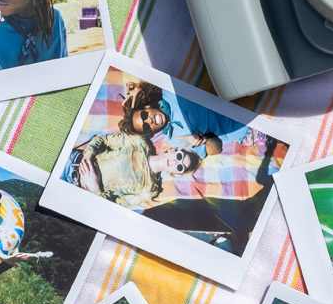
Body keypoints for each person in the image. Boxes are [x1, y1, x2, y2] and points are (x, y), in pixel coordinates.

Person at [119, 79, 252, 158]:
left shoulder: (165, 92)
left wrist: (142, 85)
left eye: (144, 115)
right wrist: (203, 140)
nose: (150, 120)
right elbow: (216, 150)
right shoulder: (175, 140)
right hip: (243, 128)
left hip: (234, 92)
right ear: (151, 131)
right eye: (146, 126)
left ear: (146, 107)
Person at [66, 132, 201, 209]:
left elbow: (114, 207)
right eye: (179, 156)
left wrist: (96, 190)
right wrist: (88, 156)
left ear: (175, 172)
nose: (175, 162)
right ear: (173, 150)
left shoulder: (148, 190)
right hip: (72, 160)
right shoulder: (140, 143)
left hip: (75, 190)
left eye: (180, 166)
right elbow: (101, 139)